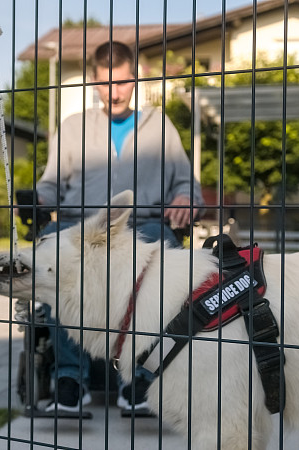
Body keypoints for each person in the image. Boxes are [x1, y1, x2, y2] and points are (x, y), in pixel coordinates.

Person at [34, 40, 204, 415]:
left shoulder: (159, 125)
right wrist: (39, 201)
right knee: (60, 274)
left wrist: (186, 200)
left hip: (144, 226)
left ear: (135, 80)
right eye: (105, 84)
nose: (114, 92)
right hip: (81, 226)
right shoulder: (74, 127)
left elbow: (186, 184)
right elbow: (50, 184)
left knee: (161, 280)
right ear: (93, 83)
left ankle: (141, 378)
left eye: (122, 83)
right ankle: (69, 380)